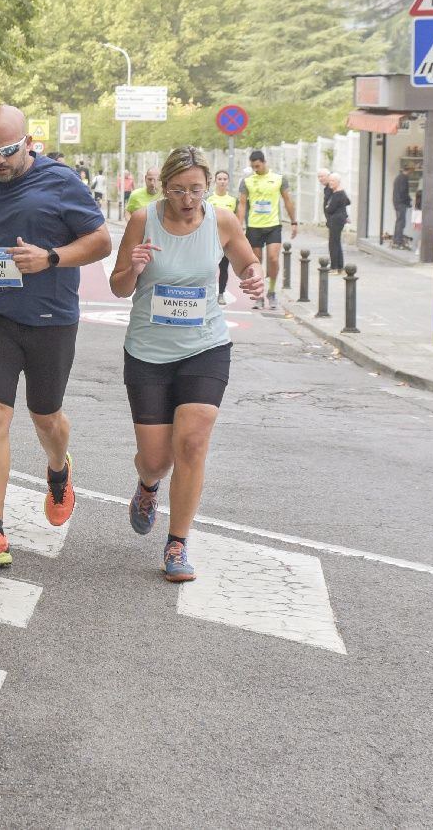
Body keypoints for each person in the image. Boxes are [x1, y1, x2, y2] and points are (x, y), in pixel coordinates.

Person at [0, 106, 111, 571]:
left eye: (8, 151)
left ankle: (59, 469)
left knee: (45, 417)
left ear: (29, 142)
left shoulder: (61, 182)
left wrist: (52, 257)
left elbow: (100, 241)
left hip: (50, 317)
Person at [109, 146, 265, 583]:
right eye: (179, 189)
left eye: (197, 189)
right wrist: (134, 268)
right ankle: (147, 486)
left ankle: (177, 543)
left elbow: (246, 260)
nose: (188, 198)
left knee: (193, 443)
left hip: (205, 345)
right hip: (149, 352)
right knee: (157, 459)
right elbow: (119, 287)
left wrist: (254, 274)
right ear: (164, 186)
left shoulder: (222, 219)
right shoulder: (144, 220)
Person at [236, 149, 297, 309]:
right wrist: (238, 226)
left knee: (273, 258)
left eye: (257, 166)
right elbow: (242, 205)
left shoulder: (278, 179)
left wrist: (294, 221)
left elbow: (288, 200)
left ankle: (271, 291)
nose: (256, 169)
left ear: (264, 162)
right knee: (257, 263)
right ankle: (259, 295)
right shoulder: (247, 181)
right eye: (253, 167)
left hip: (273, 225)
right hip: (254, 226)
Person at [207, 170, 239, 305]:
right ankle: (208, 293)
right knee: (209, 268)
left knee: (224, 268)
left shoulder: (232, 201)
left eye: (225, 179)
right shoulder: (209, 200)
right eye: (219, 179)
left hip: (226, 242)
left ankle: (221, 293)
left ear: (228, 182)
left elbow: (236, 221)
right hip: (211, 239)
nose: (222, 181)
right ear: (215, 181)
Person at [324, 173, 351, 272]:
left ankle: (334, 267)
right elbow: (347, 202)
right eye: (330, 181)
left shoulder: (338, 194)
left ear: (338, 182)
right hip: (339, 219)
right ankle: (339, 266)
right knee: (336, 242)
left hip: (336, 220)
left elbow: (330, 209)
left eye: (333, 181)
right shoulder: (340, 192)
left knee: (333, 243)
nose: (330, 183)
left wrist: (327, 207)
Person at [392, 168, 414, 249]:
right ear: (409, 170)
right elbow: (404, 192)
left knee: (399, 221)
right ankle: (398, 241)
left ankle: (396, 240)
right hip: (401, 203)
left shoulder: (398, 177)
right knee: (401, 222)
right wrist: (408, 201)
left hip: (397, 202)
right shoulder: (403, 178)